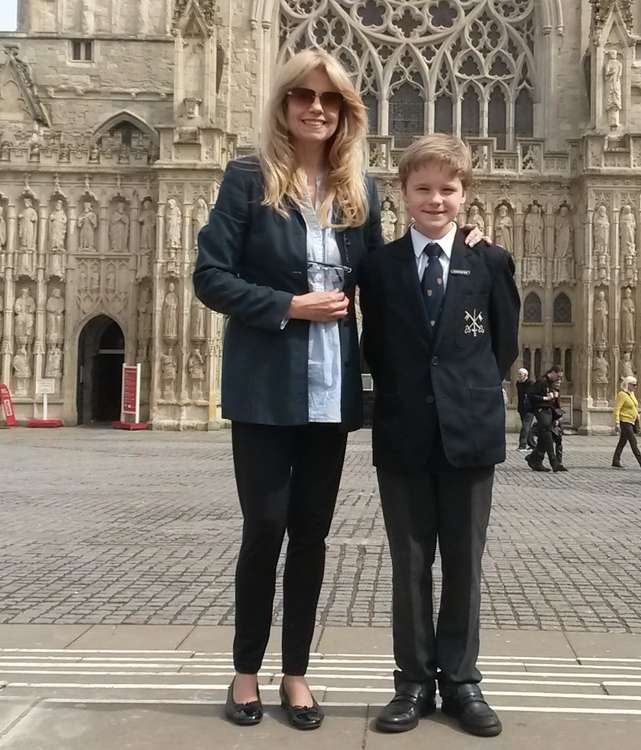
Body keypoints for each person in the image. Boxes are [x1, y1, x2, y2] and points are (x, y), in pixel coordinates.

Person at [193, 49, 384, 731]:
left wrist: (464, 245)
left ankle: (295, 673)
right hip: (267, 388)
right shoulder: (247, 179)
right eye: (303, 96)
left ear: (344, 112)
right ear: (283, 104)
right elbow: (209, 276)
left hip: (330, 395)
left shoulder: (363, 192)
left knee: (311, 535)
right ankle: (245, 670)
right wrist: (289, 305)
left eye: (329, 100)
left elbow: (383, 283)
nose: (315, 108)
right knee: (264, 528)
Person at [360, 134, 520, 737]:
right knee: (409, 563)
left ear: (465, 194)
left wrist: (467, 393)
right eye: (422, 188)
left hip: (468, 433)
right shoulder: (378, 266)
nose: (435, 199)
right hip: (403, 434)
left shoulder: (491, 262)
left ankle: (461, 681)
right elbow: (373, 345)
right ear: (402, 193)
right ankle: (411, 683)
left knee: (463, 563)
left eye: (447, 189)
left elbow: (503, 345)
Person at [526, 365, 567, 472]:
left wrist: (557, 415)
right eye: (558, 376)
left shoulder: (551, 383)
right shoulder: (542, 381)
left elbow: (554, 401)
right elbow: (531, 395)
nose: (559, 379)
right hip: (541, 410)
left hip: (549, 411)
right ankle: (554, 462)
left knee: (546, 436)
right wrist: (545, 398)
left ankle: (534, 459)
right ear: (552, 372)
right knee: (547, 433)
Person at [611, 376, 641, 469]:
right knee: (633, 441)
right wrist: (617, 422)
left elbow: (634, 406)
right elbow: (617, 409)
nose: (635, 387)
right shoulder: (622, 394)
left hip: (631, 421)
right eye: (633, 385)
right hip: (624, 420)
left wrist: (637, 414)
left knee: (622, 442)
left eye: (636, 385)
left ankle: (615, 460)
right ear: (628, 384)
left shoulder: (631, 394)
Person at [516, 367, 534, 451]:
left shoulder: (530, 383)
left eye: (520, 374)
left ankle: (522, 445)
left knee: (525, 426)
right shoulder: (518, 383)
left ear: (526, 375)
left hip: (529, 409)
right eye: (518, 374)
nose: (519, 376)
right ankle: (533, 445)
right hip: (521, 408)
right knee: (527, 427)